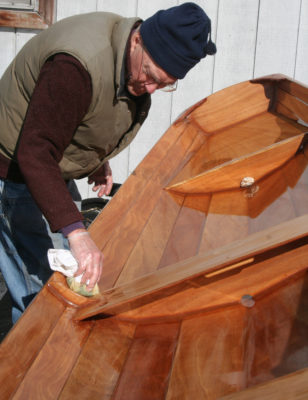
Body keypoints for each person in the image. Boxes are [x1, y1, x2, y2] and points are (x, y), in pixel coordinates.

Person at [0, 2, 216, 322]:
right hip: (14, 169)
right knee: (41, 292)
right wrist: (77, 232)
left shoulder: (128, 60)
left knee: (63, 274)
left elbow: (86, 114)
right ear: (138, 39)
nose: (151, 89)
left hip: (48, 166)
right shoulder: (75, 65)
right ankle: (25, 365)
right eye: (151, 75)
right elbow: (36, 150)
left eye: (165, 84)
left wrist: (96, 161)